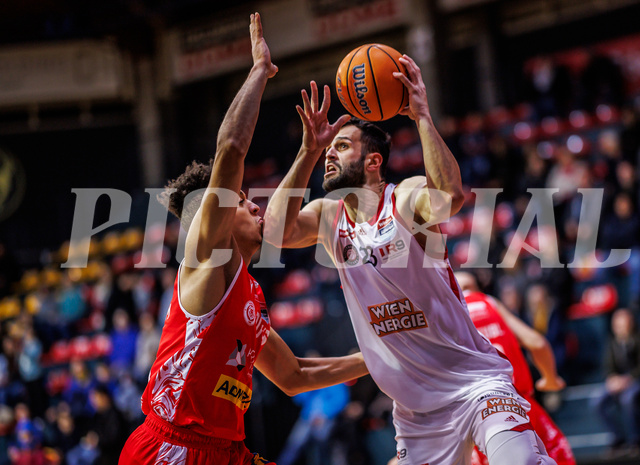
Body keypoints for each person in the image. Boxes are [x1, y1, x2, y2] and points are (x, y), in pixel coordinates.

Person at [265, 57, 555, 464]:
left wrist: (421, 116)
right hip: (417, 417)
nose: (331, 155)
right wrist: (307, 151)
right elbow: (274, 232)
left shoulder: (403, 196)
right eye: (330, 148)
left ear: (373, 162)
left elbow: (450, 197)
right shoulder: (329, 216)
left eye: (342, 147)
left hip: (475, 386)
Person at [119, 14, 368, 465]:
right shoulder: (205, 264)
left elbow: (293, 375)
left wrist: (376, 358)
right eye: (241, 201)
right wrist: (258, 72)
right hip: (172, 448)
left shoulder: (248, 296)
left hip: (225, 451)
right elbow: (232, 150)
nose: (256, 206)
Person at [454, 272, 574, 465]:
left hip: (476, 416)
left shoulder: (446, 315)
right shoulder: (489, 303)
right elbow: (536, 342)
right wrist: (550, 378)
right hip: (519, 404)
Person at [593, 308, 640, 456]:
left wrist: (628, 378)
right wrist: (612, 378)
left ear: (630, 323)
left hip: (637, 380)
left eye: (623, 324)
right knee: (597, 402)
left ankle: (636, 441)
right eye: (617, 325)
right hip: (618, 382)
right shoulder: (612, 343)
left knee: (628, 399)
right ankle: (618, 438)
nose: (620, 328)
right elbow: (607, 366)